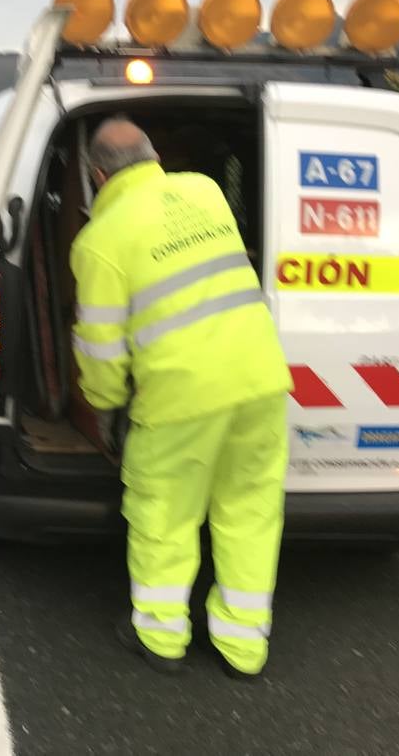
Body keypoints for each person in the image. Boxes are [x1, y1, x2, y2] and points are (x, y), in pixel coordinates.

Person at [69, 118, 293, 681]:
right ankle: (244, 646)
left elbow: (99, 346)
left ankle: (161, 636)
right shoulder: (205, 191)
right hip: (261, 379)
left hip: (180, 394)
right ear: (154, 155)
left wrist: (105, 403)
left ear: (97, 175)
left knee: (164, 513)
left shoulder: (99, 240)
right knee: (250, 511)